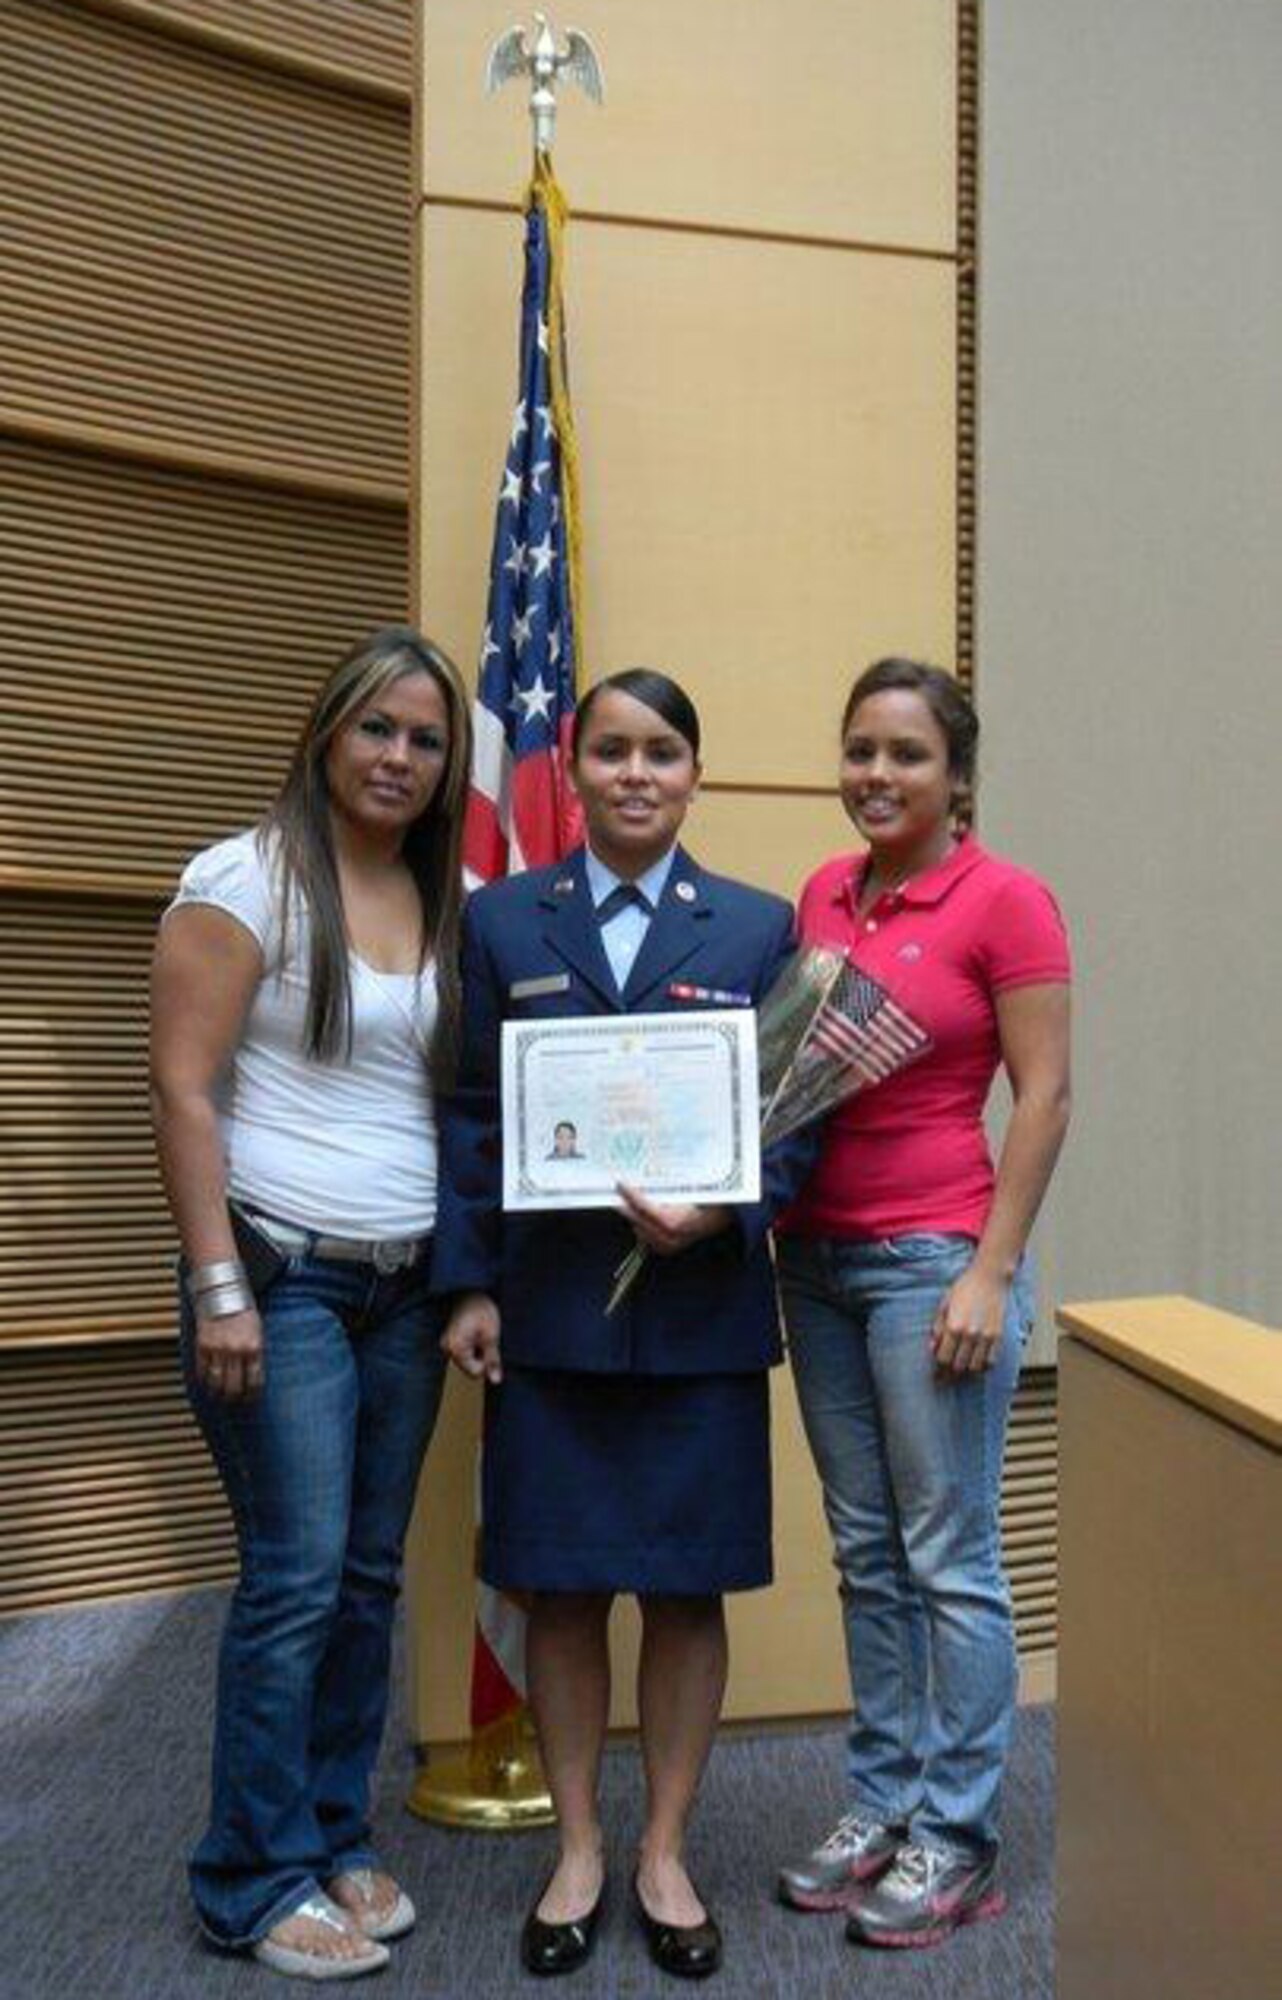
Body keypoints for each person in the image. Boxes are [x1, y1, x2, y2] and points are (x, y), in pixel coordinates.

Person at [434, 669, 814, 1982]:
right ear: (572, 772)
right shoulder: (498, 923)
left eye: (661, 752)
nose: (636, 773)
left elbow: (797, 1125)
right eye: (611, 752)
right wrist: (469, 1283)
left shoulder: (757, 929)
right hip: (547, 1320)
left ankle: (663, 1850)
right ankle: (579, 1849)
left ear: (693, 774)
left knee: (684, 1588)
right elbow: (471, 1119)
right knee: (560, 1582)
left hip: (701, 1318)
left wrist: (726, 1213)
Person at [149, 626, 471, 1980]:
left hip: (404, 1292)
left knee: (364, 1579)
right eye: (377, 728)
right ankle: (245, 1874)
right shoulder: (243, 879)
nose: (399, 756)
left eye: (425, 738)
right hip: (279, 1281)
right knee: (292, 1582)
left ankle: (330, 1834)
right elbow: (180, 1088)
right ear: (326, 733)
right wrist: (220, 1286)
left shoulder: (434, 889)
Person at [775, 657, 1071, 1950]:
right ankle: (880, 1804)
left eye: (904, 754)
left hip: (929, 1266)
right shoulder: (822, 895)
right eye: (859, 751)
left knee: (948, 1559)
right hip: (814, 1262)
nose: (876, 776)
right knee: (864, 1552)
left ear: (956, 776)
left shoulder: (1006, 901)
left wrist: (988, 1271)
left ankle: (956, 1835)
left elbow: (1044, 1095)